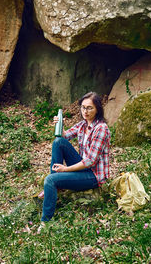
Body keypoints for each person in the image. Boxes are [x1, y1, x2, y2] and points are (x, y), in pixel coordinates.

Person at [40, 92, 111, 222]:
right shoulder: (83, 125)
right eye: (83, 107)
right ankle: (57, 185)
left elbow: (90, 161)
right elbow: (64, 136)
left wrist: (65, 169)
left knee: (50, 180)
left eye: (90, 108)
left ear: (97, 109)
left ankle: (45, 222)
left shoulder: (101, 128)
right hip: (83, 167)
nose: (86, 111)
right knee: (58, 142)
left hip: (93, 175)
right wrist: (58, 124)